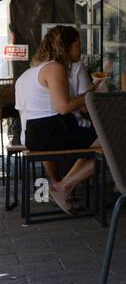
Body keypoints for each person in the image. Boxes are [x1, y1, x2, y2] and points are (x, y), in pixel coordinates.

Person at [14, 25, 107, 215]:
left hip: (34, 133)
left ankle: (62, 185)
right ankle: (63, 186)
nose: (80, 50)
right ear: (66, 47)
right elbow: (63, 107)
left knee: (103, 142)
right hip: (52, 130)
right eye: (78, 44)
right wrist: (94, 95)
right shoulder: (55, 67)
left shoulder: (29, 72)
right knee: (113, 144)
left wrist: (88, 93)